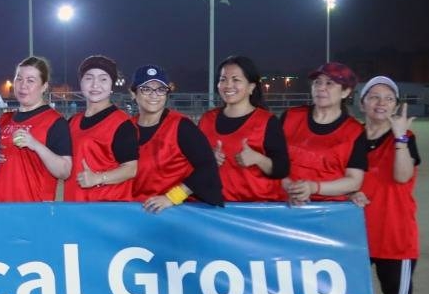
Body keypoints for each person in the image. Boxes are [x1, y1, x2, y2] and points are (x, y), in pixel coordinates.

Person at [351, 76, 421, 294]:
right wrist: (349, 190)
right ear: (362, 102)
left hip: (395, 235)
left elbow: (403, 176)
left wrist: (400, 138)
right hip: (355, 236)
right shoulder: (351, 136)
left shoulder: (405, 137)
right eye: (374, 97)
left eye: (388, 98)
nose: (381, 103)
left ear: (395, 104)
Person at [128, 65, 223, 212]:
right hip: (133, 211)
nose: (154, 95)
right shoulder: (126, 128)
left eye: (160, 89)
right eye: (146, 89)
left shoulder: (181, 126)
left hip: (173, 213)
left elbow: (208, 167)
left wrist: (173, 197)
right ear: (133, 93)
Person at [0, 56, 71, 202]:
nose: (23, 86)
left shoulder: (55, 121)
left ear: (44, 86)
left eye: (30, 80)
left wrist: (35, 145)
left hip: (32, 211)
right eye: (19, 79)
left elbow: (64, 171)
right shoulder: (4, 120)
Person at [198, 55, 289, 202]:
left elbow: (282, 169)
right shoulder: (206, 120)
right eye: (223, 79)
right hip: (216, 210)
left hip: (255, 211)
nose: (228, 85)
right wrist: (207, 160)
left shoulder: (267, 121)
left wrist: (258, 159)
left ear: (251, 87)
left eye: (236, 80)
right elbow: (189, 164)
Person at [279, 62, 366, 204]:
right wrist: (290, 187)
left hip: (329, 213)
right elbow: (272, 161)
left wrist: (314, 188)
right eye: (317, 82)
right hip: (285, 206)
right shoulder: (290, 117)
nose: (320, 88)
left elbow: (354, 181)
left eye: (329, 83)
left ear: (345, 92)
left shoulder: (354, 131)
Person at [62, 55, 137, 202]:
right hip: (74, 205)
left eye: (103, 79)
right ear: (81, 82)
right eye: (89, 78)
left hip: (106, 210)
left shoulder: (122, 123)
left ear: (111, 86)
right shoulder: (72, 121)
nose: (95, 85)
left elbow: (131, 169)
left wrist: (98, 178)